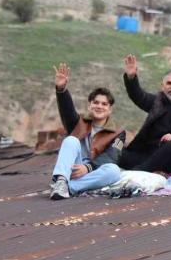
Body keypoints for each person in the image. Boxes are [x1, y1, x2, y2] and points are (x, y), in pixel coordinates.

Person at [118, 54, 171, 173]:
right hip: (149, 155)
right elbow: (138, 96)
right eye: (169, 83)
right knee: (117, 151)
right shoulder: (157, 101)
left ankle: (139, 172)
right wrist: (131, 77)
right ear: (163, 87)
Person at [49, 63, 125, 200]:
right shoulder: (78, 122)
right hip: (73, 168)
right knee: (70, 140)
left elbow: (111, 156)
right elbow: (67, 111)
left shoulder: (118, 132)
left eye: (104, 104)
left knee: (113, 171)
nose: (99, 106)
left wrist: (88, 167)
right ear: (89, 105)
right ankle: (61, 182)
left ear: (110, 109)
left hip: (93, 171)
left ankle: (69, 188)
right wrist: (61, 89)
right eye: (96, 102)